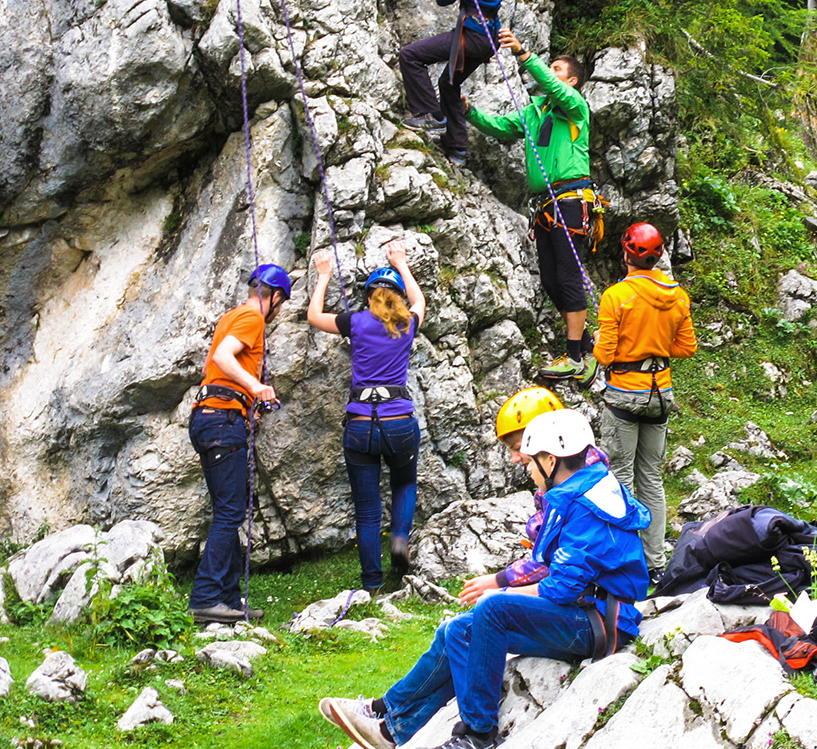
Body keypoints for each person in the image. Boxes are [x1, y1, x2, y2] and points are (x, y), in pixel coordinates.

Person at [319, 408, 650, 749]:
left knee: (492, 611)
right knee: (457, 631)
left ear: (550, 461)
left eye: (528, 463)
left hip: (602, 623)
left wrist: (501, 592)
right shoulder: (581, 489)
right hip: (590, 614)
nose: (527, 470)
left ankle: (477, 735)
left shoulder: (583, 505)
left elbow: (562, 589)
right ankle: (389, 727)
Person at [466, 27, 598, 387]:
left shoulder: (575, 107)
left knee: (569, 276)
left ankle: (574, 356)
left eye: (557, 68)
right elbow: (503, 127)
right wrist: (469, 112)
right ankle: (585, 347)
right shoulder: (536, 112)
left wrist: (524, 55)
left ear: (572, 80)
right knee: (553, 281)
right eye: (550, 67)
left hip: (571, 201)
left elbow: (556, 89)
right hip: (546, 207)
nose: (551, 73)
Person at [307, 241, 428, 593]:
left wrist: (324, 275)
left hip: (360, 424)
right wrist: (401, 263)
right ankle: (400, 538)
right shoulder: (408, 323)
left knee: (367, 508)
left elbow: (314, 316)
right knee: (404, 482)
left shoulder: (355, 322)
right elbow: (420, 302)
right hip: (399, 422)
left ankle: (371, 584)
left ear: (368, 296)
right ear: (398, 298)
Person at [188, 264, 292, 624]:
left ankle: (228, 600)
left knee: (229, 509)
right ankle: (205, 598)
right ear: (275, 297)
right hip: (222, 420)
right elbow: (221, 358)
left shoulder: (231, 315)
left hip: (211, 417)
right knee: (231, 512)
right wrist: (255, 386)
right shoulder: (252, 319)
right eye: (280, 304)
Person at [594, 223, 698, 577]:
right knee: (651, 477)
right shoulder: (678, 296)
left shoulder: (616, 297)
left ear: (626, 253)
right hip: (661, 392)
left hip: (625, 392)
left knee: (620, 477)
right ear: (658, 256)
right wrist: (654, 342)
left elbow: (605, 355)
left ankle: (625, 562)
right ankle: (655, 564)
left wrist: (608, 342)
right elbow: (687, 347)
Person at [456, 386, 610, 602]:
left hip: (592, 604)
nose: (514, 458)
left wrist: (499, 583)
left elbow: (554, 563)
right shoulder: (575, 480)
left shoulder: (576, 494)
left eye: (519, 447)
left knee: (488, 610)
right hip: (587, 598)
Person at [400, 0, 506, 167]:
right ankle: (457, 148)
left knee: (410, 56)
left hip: (471, 36)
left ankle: (431, 115)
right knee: (449, 85)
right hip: (488, 38)